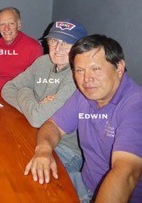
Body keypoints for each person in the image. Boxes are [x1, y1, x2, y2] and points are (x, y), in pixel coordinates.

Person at [24, 35, 142, 202]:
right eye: (80, 70)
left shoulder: (136, 105)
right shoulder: (84, 95)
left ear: (119, 67)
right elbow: (53, 126)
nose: (87, 79)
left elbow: (125, 174)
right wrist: (44, 150)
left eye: (96, 69)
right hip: (85, 184)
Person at [2, 19, 87, 172]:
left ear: (79, 49)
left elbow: (37, 119)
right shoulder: (42, 62)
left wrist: (24, 93)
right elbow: (8, 88)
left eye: (66, 43)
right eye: (54, 40)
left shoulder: (79, 75)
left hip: (64, 149)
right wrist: (34, 101)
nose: (58, 48)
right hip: (34, 134)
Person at [0, 7, 43, 91]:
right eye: (2, 24)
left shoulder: (33, 47)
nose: (6, 28)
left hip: (18, 94)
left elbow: (38, 79)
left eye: (11, 23)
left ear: (19, 24)